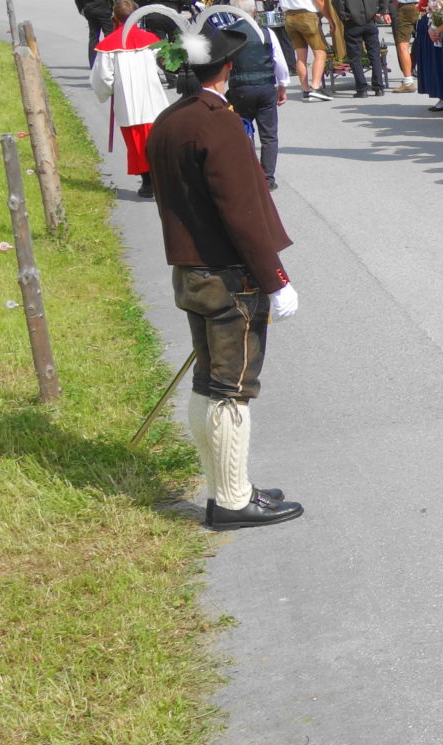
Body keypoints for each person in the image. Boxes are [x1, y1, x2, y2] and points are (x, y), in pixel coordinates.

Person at [145, 26, 304, 529]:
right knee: (232, 388)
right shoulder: (217, 123)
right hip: (228, 277)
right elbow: (242, 211)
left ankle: (225, 490)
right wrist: (275, 278)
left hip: (192, 271)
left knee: (209, 383)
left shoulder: (172, 117)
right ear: (228, 69)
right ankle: (232, 501)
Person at [91, 0, 175, 199]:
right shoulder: (151, 40)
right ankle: (161, 179)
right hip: (152, 96)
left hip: (128, 100)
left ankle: (148, 183)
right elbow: (165, 62)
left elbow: (103, 77)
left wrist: (108, 90)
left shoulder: (109, 45)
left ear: (114, 18)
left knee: (137, 143)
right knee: (156, 138)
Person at [222, 0, 291, 190]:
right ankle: (268, 177)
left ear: (233, 12)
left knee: (243, 132)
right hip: (265, 86)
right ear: (254, 10)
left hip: (240, 87)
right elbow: (279, 62)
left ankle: (249, 175)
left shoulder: (227, 33)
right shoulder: (266, 32)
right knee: (269, 134)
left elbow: (222, 64)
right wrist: (282, 86)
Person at [274, 0, 330, 102]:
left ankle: (305, 89)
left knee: (301, 55)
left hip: (289, 16)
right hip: (306, 15)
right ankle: (316, 87)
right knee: (320, 52)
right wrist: (329, 18)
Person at [330, 0, 391, 98]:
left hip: (353, 21)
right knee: (374, 54)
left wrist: (343, 15)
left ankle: (362, 89)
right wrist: (381, 10)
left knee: (355, 56)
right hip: (370, 19)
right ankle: (378, 87)